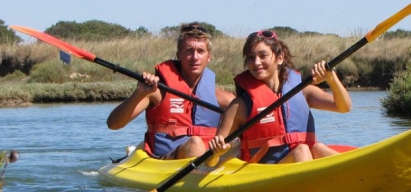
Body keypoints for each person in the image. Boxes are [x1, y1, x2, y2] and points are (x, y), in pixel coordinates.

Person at [207, 29, 351, 166]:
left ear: (280, 58)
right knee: (302, 151)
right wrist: (216, 152)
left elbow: (344, 107)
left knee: (318, 148)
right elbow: (210, 161)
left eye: (263, 56)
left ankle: (353, 171)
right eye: (251, 57)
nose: (256, 63)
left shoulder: (302, 92)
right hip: (265, 172)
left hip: (302, 164)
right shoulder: (240, 106)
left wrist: (331, 79)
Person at [107, 22, 234, 159]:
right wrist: (139, 94)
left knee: (236, 143)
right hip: (167, 159)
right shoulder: (156, 92)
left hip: (211, 158)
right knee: (195, 143)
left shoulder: (223, 98)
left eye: (200, 51)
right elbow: (114, 124)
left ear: (209, 56)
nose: (195, 57)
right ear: (178, 55)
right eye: (189, 51)